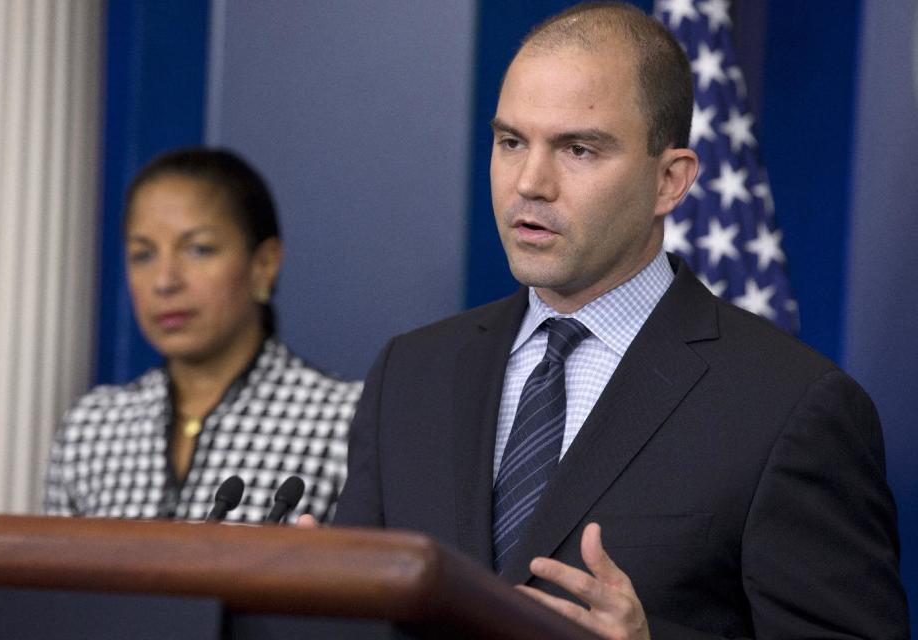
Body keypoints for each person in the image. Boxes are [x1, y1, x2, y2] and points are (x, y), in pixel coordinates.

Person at [332, 3, 908, 638]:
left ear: (670, 181)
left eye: (577, 149)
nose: (530, 182)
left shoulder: (791, 407)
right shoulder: (410, 374)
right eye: (510, 142)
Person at [45, 148, 362, 523]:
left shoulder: (346, 421)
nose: (165, 282)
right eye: (143, 255)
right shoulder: (92, 428)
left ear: (264, 264)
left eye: (198, 249)